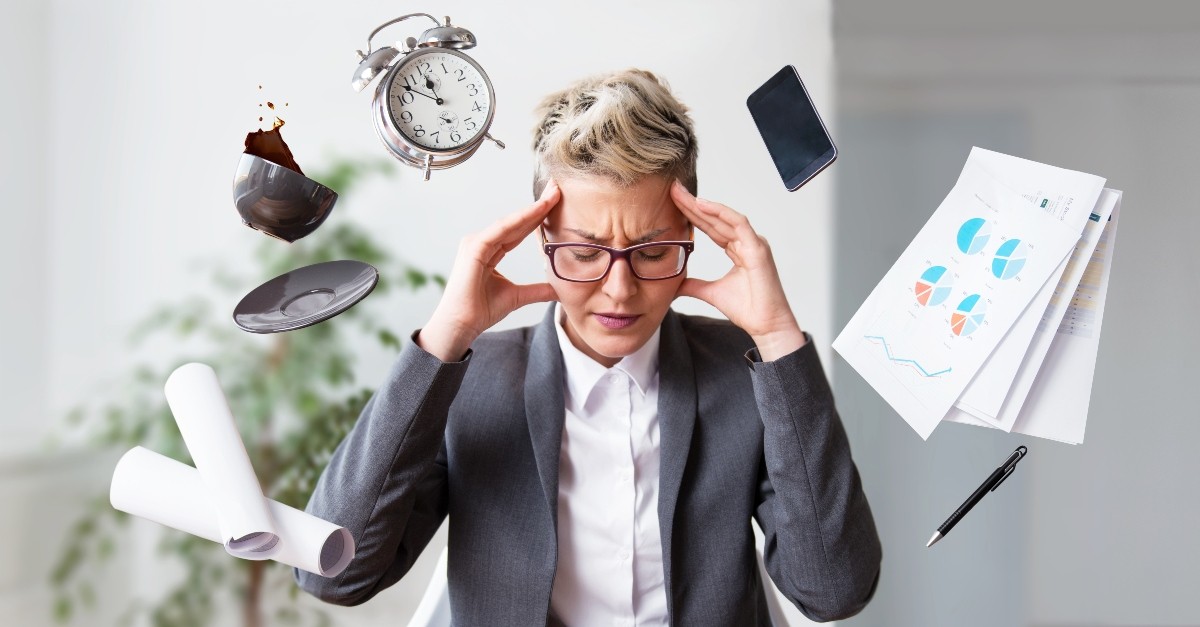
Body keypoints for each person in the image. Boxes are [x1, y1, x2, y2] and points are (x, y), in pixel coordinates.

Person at [296, 68, 881, 626]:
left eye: (652, 253)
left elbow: (833, 592)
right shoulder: (472, 380)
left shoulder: (745, 371)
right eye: (583, 253)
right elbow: (334, 575)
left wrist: (779, 337)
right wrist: (442, 341)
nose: (619, 291)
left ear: (691, 238)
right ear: (540, 238)